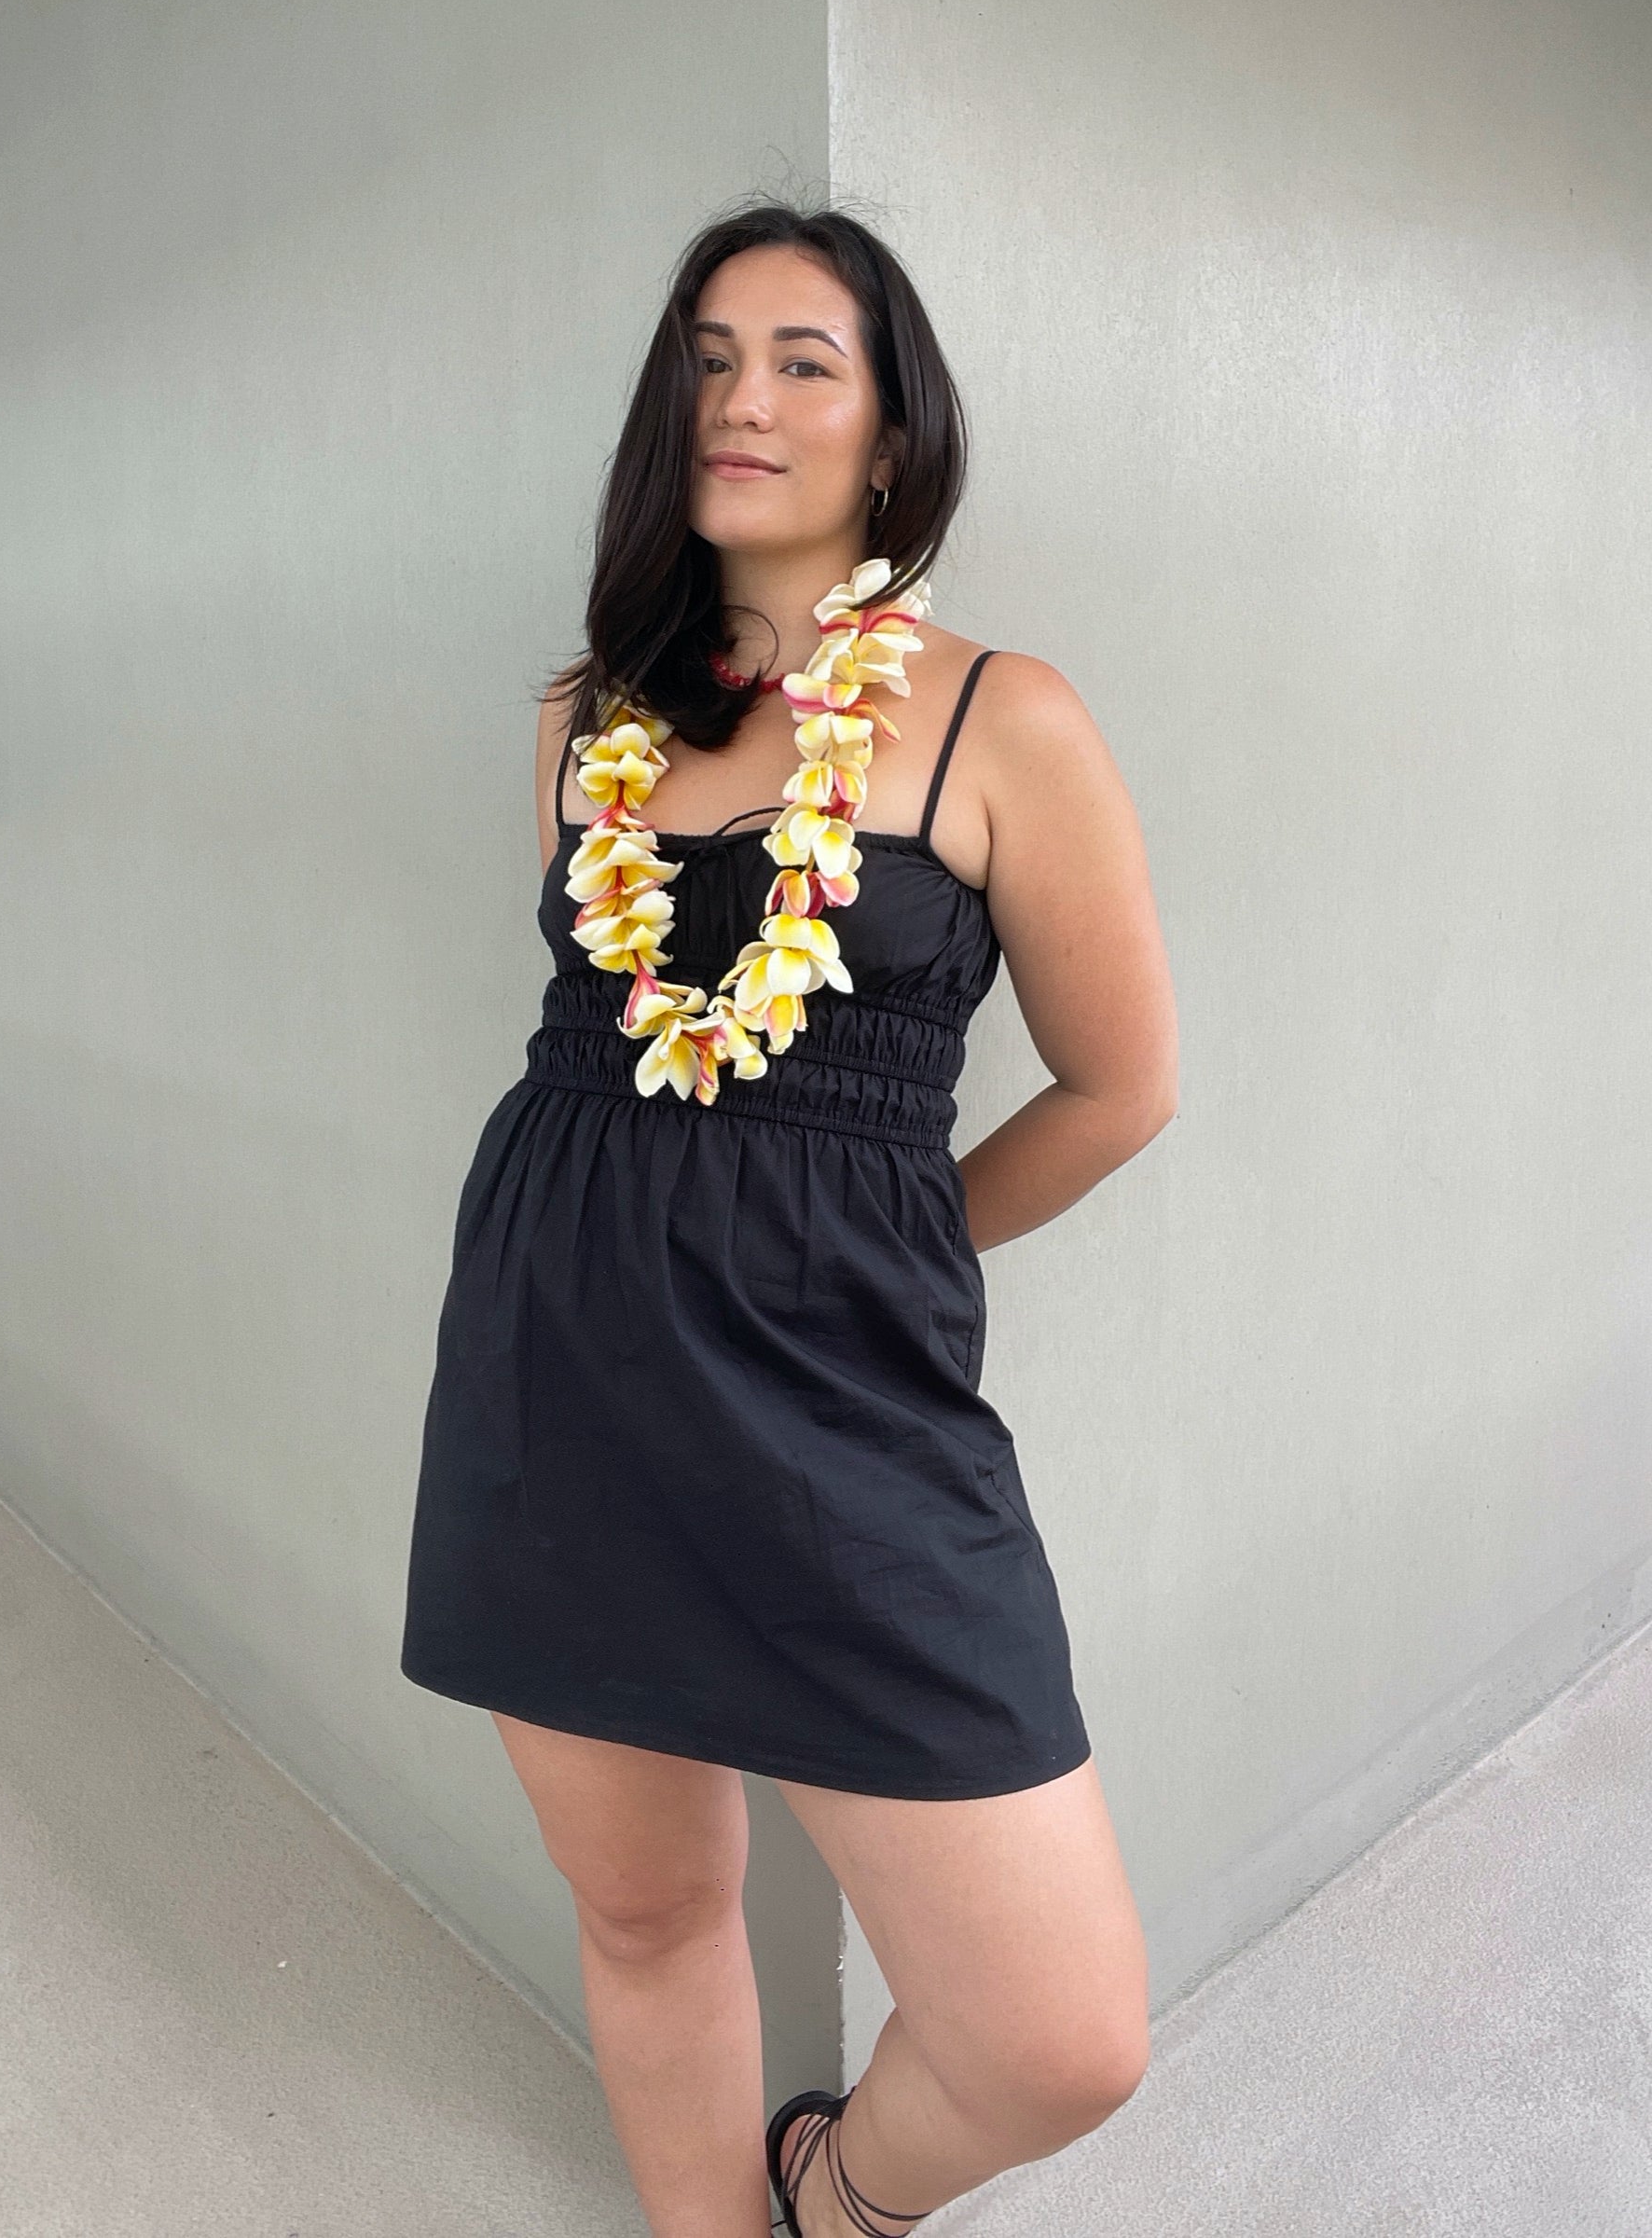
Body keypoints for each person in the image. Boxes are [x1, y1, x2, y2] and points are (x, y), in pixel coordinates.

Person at [401, 199, 1177, 2238]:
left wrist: (886, 1253)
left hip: (846, 1406)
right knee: (648, 1908)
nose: (739, 398)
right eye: (707, 358)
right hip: (560, 1370)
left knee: (1059, 2031)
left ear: (891, 434)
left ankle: (829, 2201)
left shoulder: (1005, 719)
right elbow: (601, 1054)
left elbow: (1121, 1088)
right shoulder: (588, 718)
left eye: (802, 361)